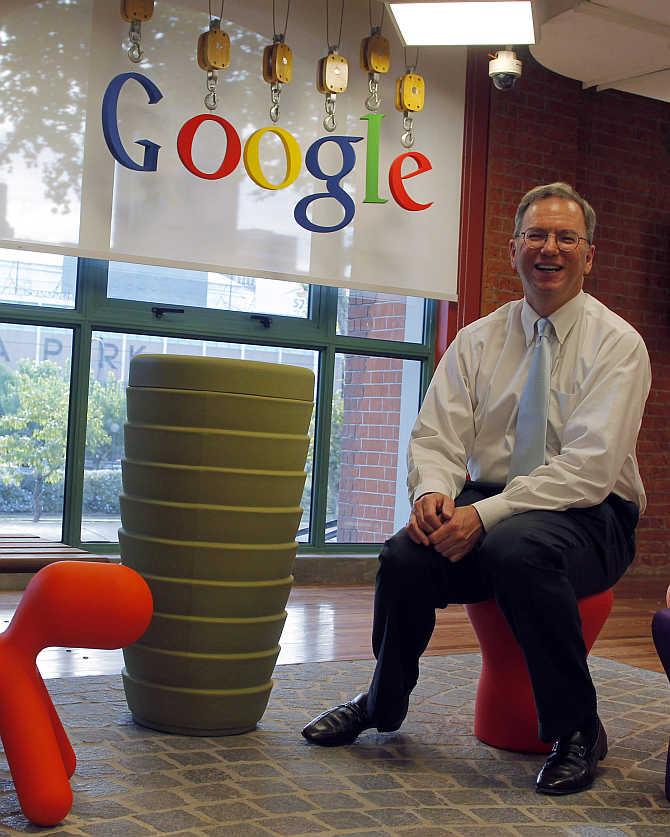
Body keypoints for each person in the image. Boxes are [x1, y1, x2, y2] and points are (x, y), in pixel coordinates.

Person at [301, 182, 651, 795]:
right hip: (493, 500)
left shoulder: (618, 345)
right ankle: (382, 703)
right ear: (514, 249)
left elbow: (590, 469)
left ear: (588, 255)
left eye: (567, 237)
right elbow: (436, 436)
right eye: (536, 236)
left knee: (516, 550)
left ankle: (577, 731)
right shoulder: (479, 340)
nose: (550, 248)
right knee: (405, 555)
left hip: (594, 515)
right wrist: (432, 495)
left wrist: (484, 517)